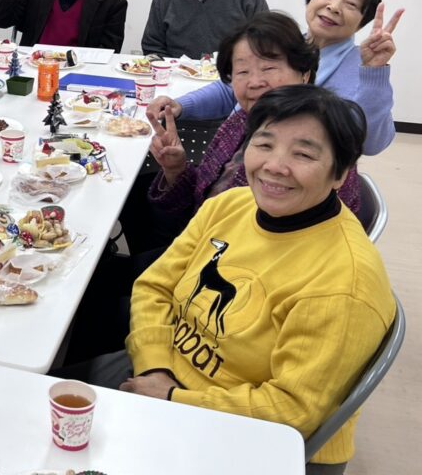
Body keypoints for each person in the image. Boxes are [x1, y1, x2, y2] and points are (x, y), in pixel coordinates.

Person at [67, 86, 395, 474]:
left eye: (303, 154)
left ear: (340, 173)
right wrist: (154, 368)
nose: (275, 165)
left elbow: (292, 411)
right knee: (30, 406)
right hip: (164, 374)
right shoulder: (233, 204)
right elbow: (155, 286)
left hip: (250, 433)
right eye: (265, 144)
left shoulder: (344, 283)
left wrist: (172, 398)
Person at [132, 11, 363, 258]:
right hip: (200, 241)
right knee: (133, 199)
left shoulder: (321, 139)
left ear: (304, 73)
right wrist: (175, 168)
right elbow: (202, 201)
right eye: (242, 72)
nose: (254, 82)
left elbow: (298, 250)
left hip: (239, 266)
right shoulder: (242, 120)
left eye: (269, 68)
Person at [149, 0, 402, 156]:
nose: (334, 7)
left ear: (362, 21)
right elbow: (232, 89)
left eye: (351, 4)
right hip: (233, 155)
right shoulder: (285, 42)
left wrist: (374, 71)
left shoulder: (361, 69)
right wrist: (181, 105)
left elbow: (370, 143)